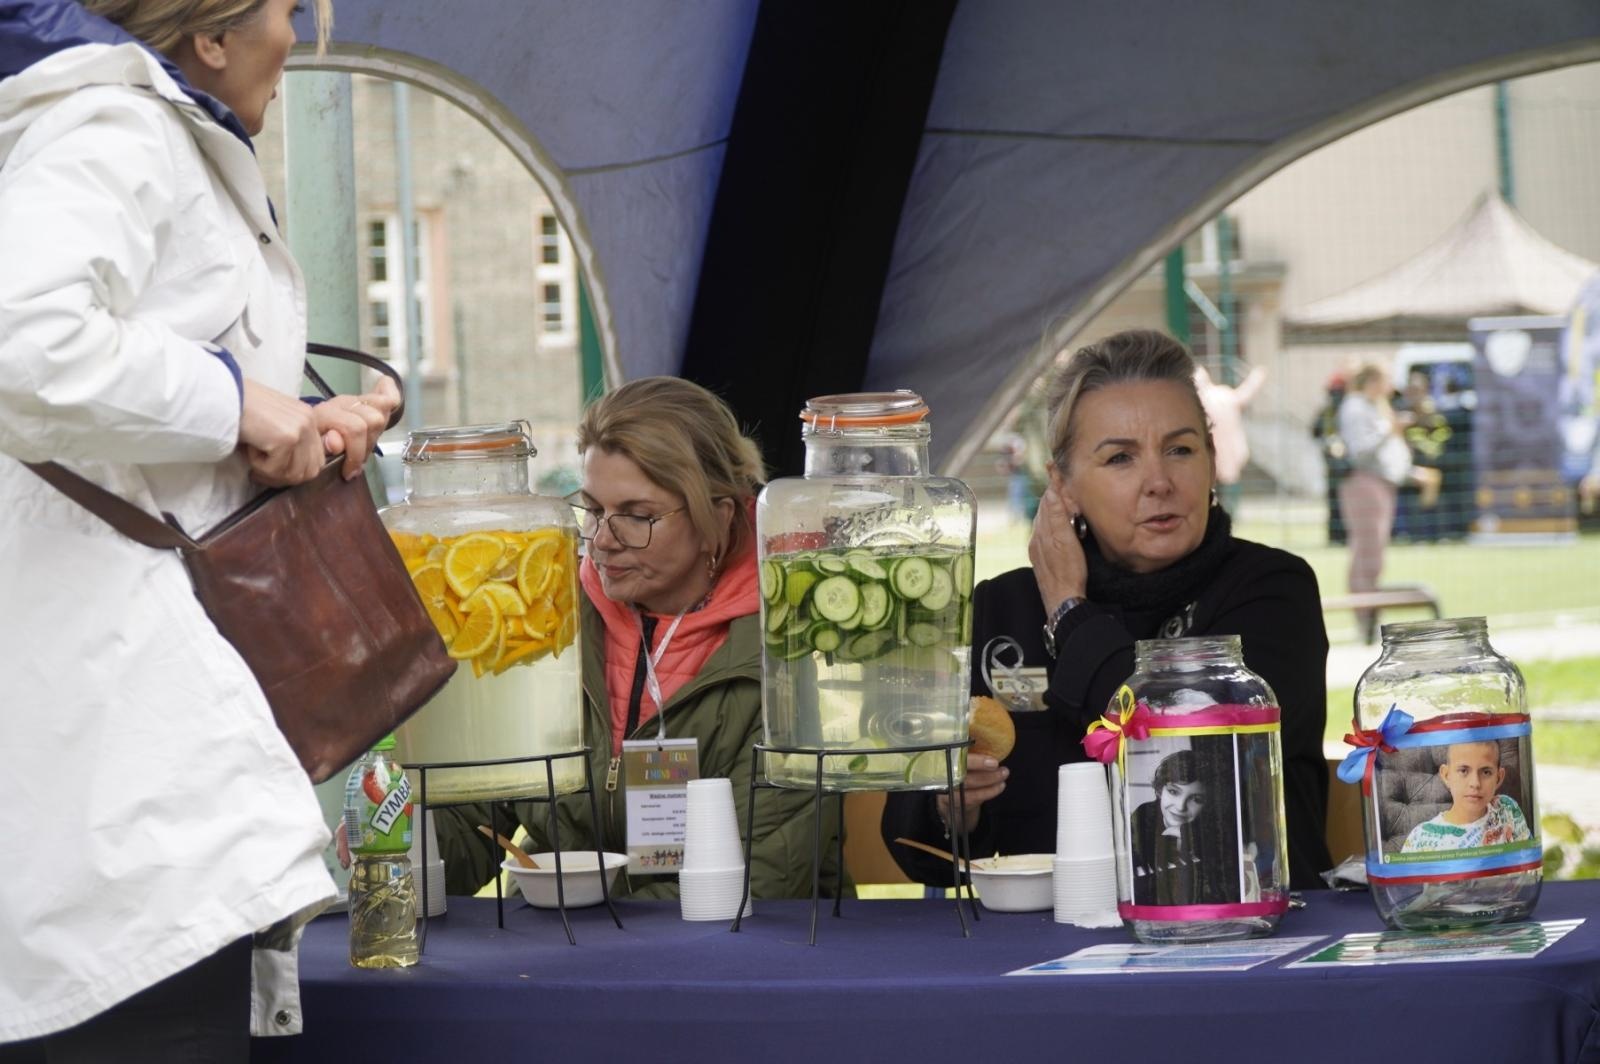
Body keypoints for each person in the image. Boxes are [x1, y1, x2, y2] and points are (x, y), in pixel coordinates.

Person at [0, 0, 401, 1056]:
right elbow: (22, 336)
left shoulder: (126, 129)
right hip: (124, 804)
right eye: (282, 11)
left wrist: (285, 422)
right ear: (210, 37)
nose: (298, 39)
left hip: (127, 796)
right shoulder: (118, 126)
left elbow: (115, 426)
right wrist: (240, 405)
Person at [881, 329, 1332, 892]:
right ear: (1063, 486)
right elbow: (915, 844)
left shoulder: (1270, 590)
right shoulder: (1005, 608)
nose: (1159, 482)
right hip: (1051, 950)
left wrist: (1070, 613)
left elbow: (1189, 754)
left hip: (1239, 935)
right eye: (1120, 457)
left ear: (1212, 461)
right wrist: (953, 808)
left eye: (1181, 449)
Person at [436, 377, 844, 899]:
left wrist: (578, 928)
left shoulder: (785, 648)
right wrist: (410, 833)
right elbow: (470, 832)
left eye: (637, 516)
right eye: (595, 510)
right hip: (555, 946)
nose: (604, 540)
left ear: (716, 518)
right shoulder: (547, 624)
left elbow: (758, 884)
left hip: (730, 967)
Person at [1337, 362, 1441, 642]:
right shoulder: (1356, 407)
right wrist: (1391, 430)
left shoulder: (1373, 406)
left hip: (1381, 484)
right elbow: (1361, 451)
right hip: (1365, 485)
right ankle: (1365, 619)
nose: (1391, 387)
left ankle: (1369, 618)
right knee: (1367, 557)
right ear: (1372, 380)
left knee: (1374, 557)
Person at [1129, 748, 1239, 905]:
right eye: (1173, 792)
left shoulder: (1216, 829)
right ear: (1160, 790)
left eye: (1196, 799)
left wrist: (1185, 836)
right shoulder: (1143, 815)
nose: (1180, 807)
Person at [1401, 741, 1530, 853]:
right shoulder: (1421, 838)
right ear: (1446, 775)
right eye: (1463, 771)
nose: (1475, 783)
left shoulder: (1507, 808)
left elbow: (1528, 866)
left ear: (1498, 777)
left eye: (1486, 772)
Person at [1192, 360, 1266, 516]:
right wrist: (1256, 377)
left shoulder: (1198, 401)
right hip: (1225, 453)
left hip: (1213, 455)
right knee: (1226, 493)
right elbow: (1244, 395)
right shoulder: (1223, 395)